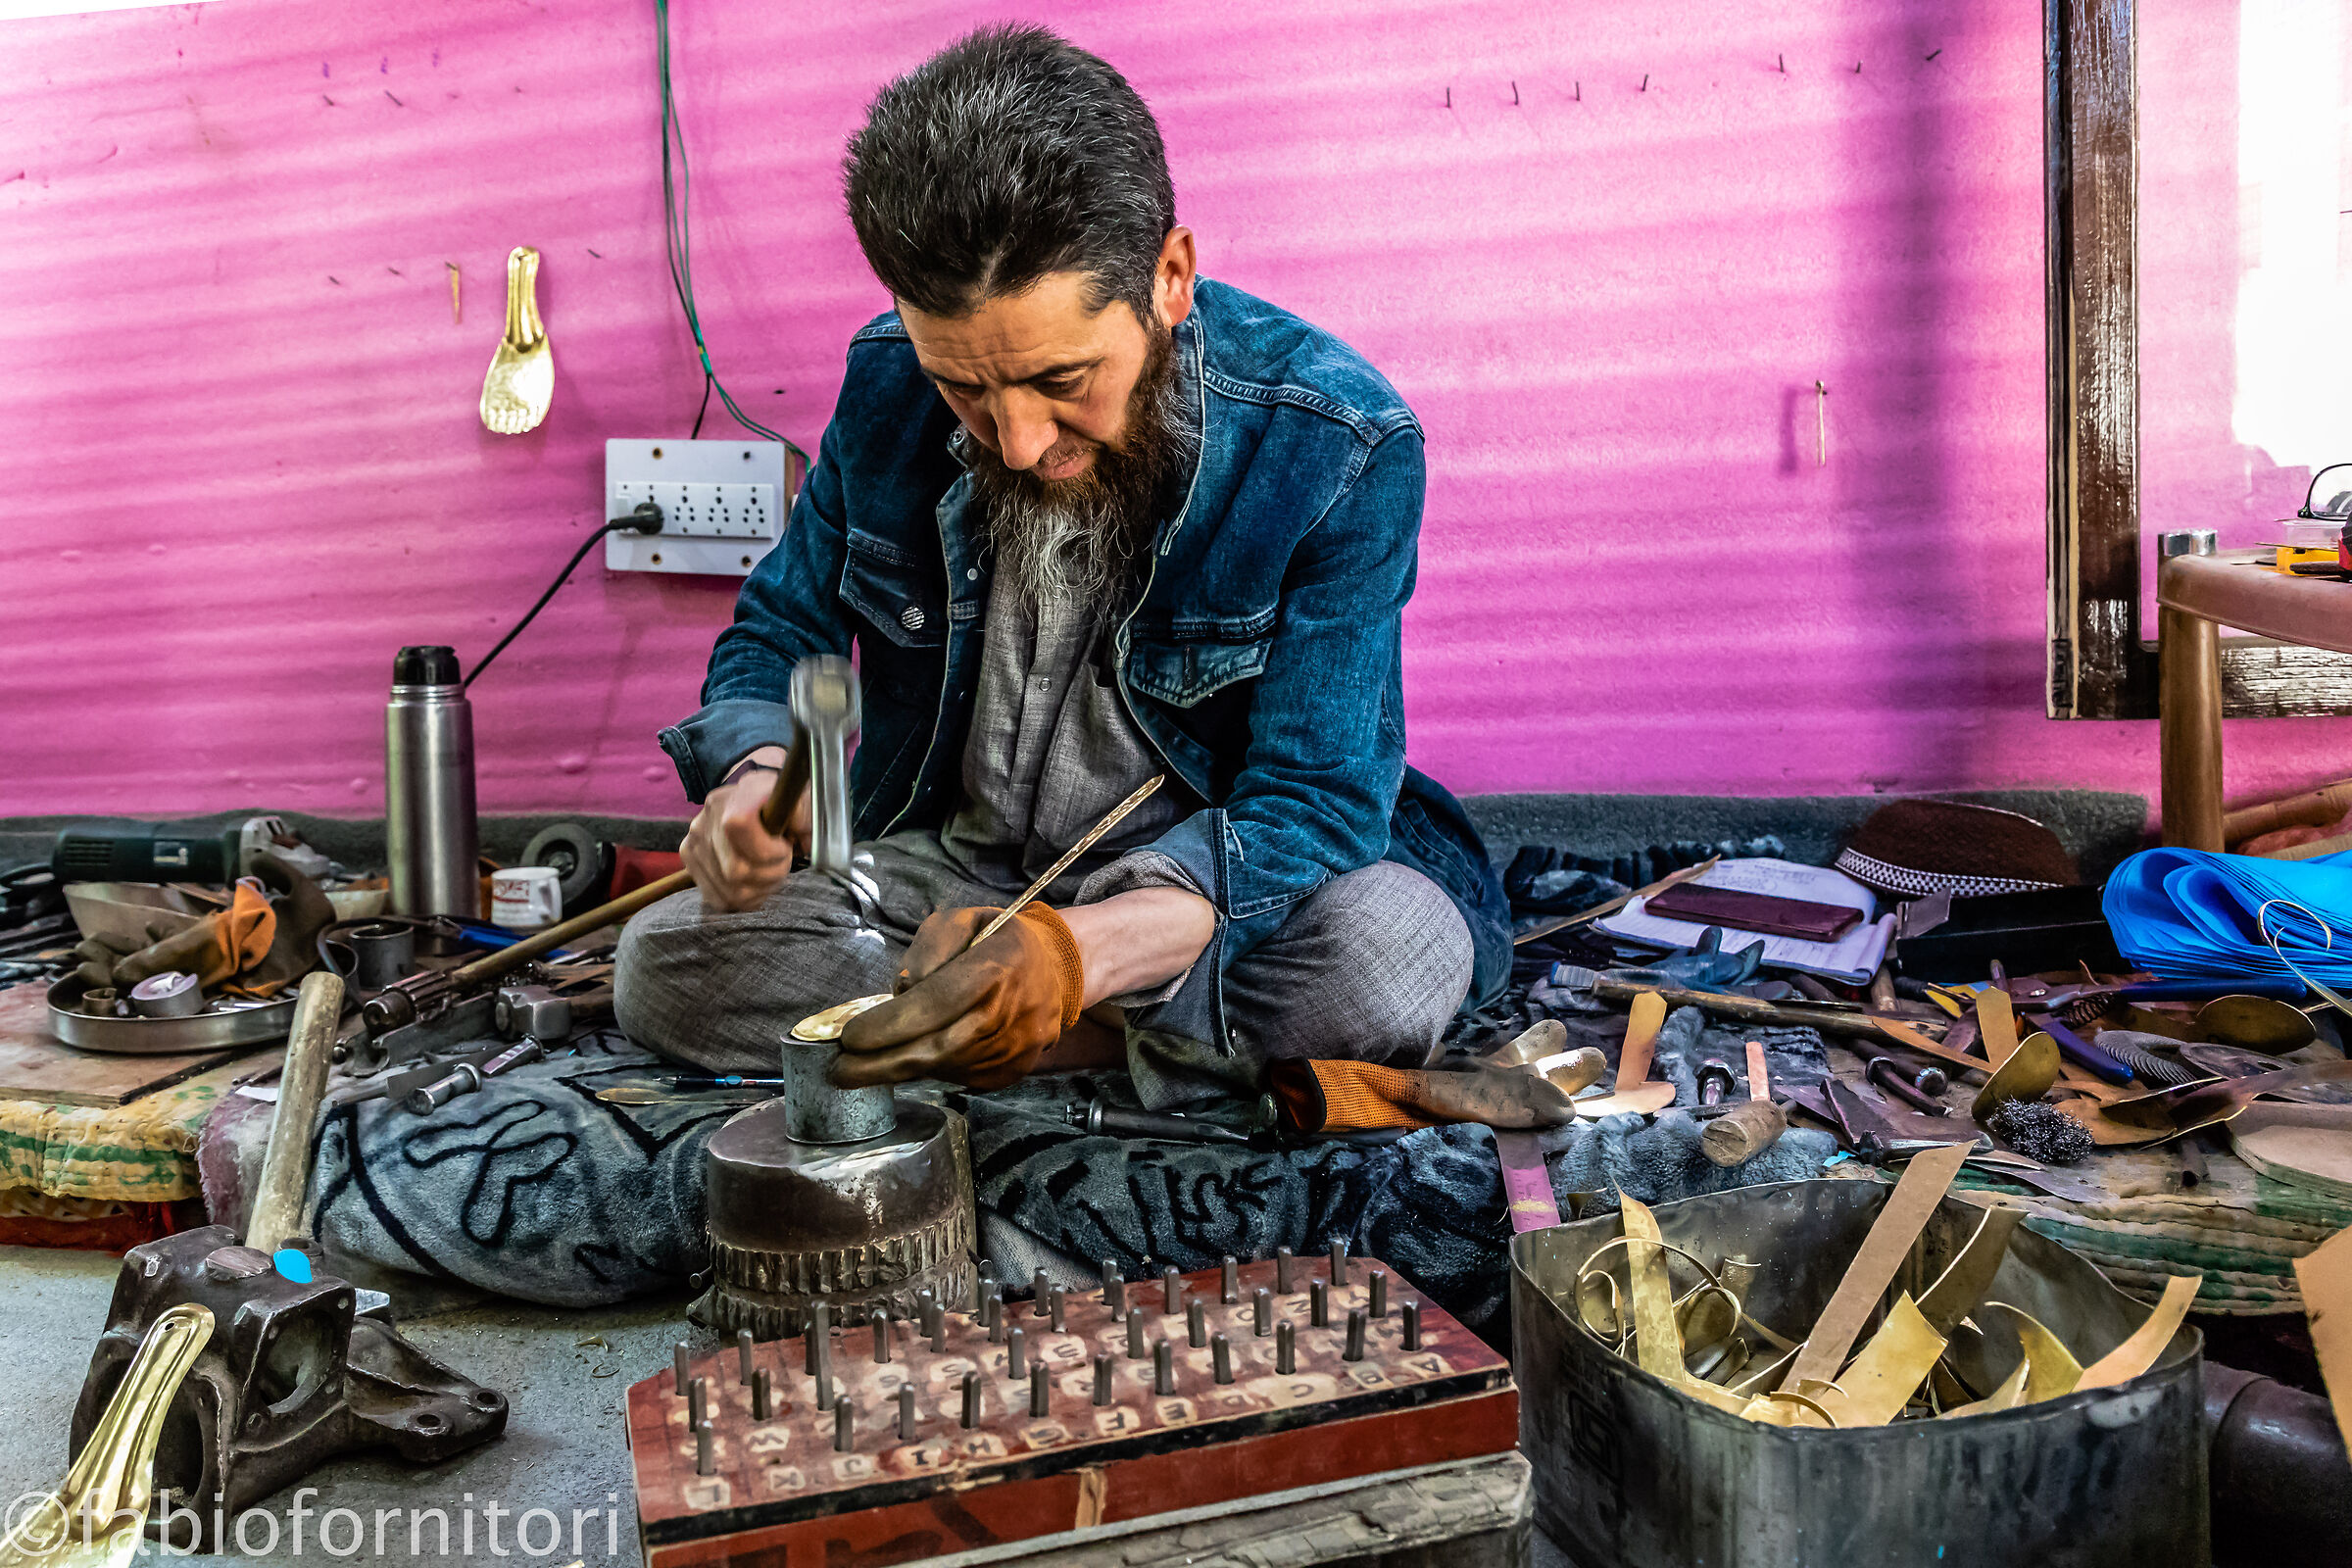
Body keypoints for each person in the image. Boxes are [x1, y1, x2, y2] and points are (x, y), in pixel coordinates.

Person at [614, 24, 1509, 1109]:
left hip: (1202, 898)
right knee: (661, 964)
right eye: (966, 390)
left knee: (1385, 961)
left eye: (1062, 378)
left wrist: (1073, 956)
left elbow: (1314, 806)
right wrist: (758, 784)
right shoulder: (886, 384)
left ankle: (996, 1036)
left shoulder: (1336, 443)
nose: (1021, 441)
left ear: (1169, 278)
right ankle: (1060, 1041)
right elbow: (779, 629)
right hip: (951, 879)